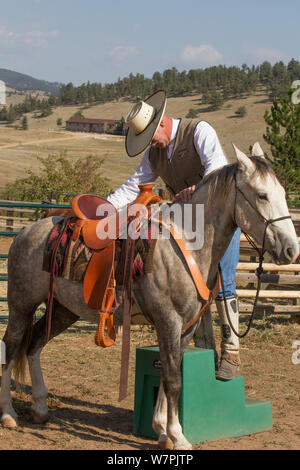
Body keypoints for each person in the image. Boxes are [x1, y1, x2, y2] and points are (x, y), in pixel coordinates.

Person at [107, 90, 241, 380]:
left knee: (224, 279)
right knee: (188, 285)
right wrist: (107, 205)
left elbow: (217, 170)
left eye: (152, 136)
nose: (151, 143)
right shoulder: (154, 152)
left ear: (163, 123)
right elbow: (134, 186)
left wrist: (197, 190)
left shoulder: (198, 131)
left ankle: (232, 350)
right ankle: (194, 349)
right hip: (186, 221)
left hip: (219, 220)